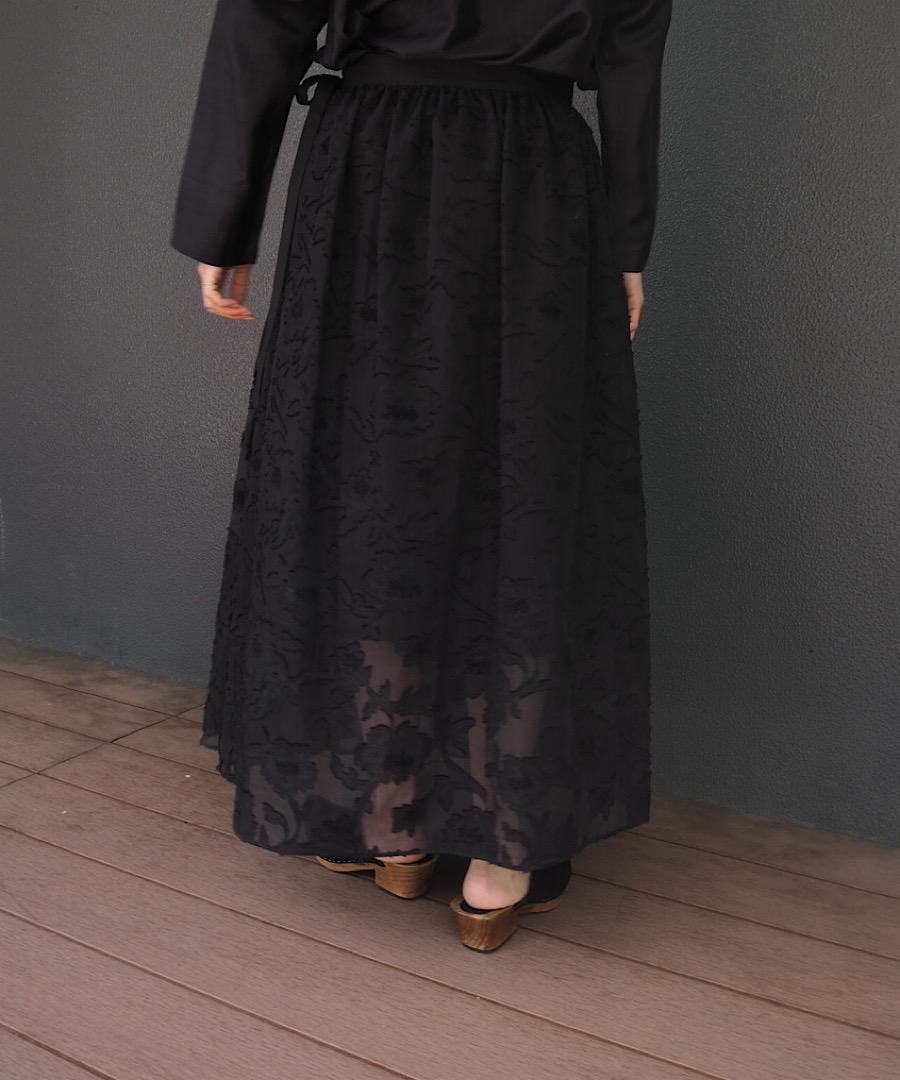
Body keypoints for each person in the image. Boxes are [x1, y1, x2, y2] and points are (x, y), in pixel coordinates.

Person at [170, 0, 673, 952]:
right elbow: (634, 51)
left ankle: (392, 819)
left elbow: (263, 21)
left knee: (373, 479)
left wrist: (222, 217)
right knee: (520, 481)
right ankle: (502, 852)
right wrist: (626, 241)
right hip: (534, 179)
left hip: (373, 170)